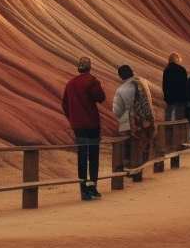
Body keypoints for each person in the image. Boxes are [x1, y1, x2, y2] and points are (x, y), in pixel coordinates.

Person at [62, 56, 106, 200]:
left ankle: (83, 190)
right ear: (89, 67)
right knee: (93, 156)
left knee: (82, 156)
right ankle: (92, 187)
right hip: (92, 124)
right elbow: (100, 97)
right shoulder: (92, 81)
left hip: (78, 126)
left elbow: (65, 105)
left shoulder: (70, 83)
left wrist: (73, 119)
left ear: (78, 68)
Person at [113, 65, 156, 175]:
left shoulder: (123, 88)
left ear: (121, 76)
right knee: (143, 145)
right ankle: (140, 170)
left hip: (134, 122)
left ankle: (133, 170)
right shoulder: (143, 82)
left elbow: (117, 110)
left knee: (130, 145)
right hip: (148, 119)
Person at [162, 53, 190, 122]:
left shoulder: (166, 70)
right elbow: (185, 85)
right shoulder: (182, 70)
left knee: (168, 117)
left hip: (170, 98)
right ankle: (179, 132)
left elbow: (164, 85)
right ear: (177, 60)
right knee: (179, 119)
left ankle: (168, 131)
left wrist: (166, 96)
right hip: (180, 98)